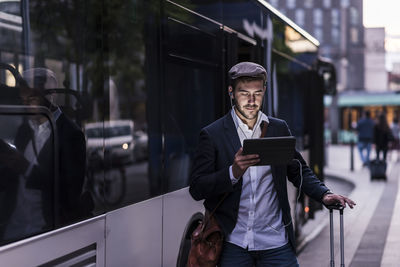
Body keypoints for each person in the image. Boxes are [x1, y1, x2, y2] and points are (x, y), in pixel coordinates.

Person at [189, 62, 355, 267]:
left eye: (257, 93)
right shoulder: (212, 134)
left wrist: (323, 194)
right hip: (234, 243)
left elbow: (298, 170)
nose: (251, 100)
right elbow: (197, 188)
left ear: (264, 91)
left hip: (276, 244)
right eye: (244, 93)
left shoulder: (277, 128)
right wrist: (233, 172)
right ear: (231, 92)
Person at [0, 68, 88, 243]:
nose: (27, 105)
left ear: (50, 94)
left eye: (32, 98)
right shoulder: (24, 131)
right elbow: (13, 180)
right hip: (14, 229)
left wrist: (28, 169)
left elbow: (70, 193)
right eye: (23, 100)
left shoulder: (70, 134)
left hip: (46, 230)